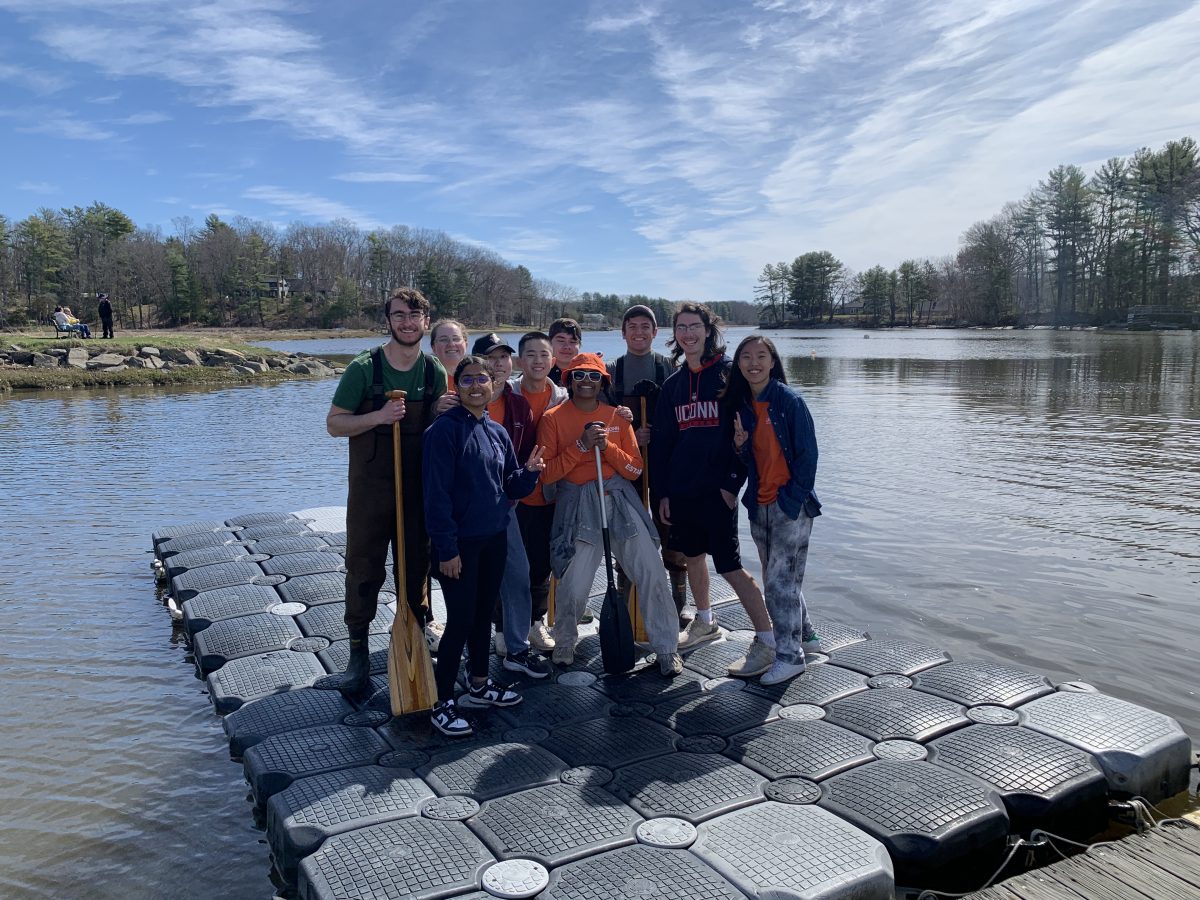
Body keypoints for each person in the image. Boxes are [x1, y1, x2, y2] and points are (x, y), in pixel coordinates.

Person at [322, 287, 447, 695]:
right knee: (364, 570)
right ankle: (358, 657)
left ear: (425, 321)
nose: (407, 322)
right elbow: (335, 423)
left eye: (415, 315)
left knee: (415, 570)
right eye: (399, 315)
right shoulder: (363, 368)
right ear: (388, 321)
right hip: (370, 492)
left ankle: (415, 639)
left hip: (417, 491)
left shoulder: (434, 373)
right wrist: (377, 416)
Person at [538, 352, 683, 676]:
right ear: (569, 381)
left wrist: (608, 448)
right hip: (577, 508)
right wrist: (581, 446)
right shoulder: (553, 419)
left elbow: (634, 470)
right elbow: (547, 476)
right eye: (579, 376)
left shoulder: (617, 417)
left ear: (603, 381)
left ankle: (666, 648)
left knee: (652, 574)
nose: (586, 381)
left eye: (593, 376)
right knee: (574, 586)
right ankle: (564, 641)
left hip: (619, 503)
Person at [422, 355, 546, 736]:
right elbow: (436, 497)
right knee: (459, 621)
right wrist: (447, 549)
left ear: (494, 386)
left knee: (482, 615)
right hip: (459, 545)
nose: (477, 386)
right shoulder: (443, 432)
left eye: (483, 380)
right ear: (456, 387)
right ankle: (441, 701)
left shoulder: (497, 432)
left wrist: (530, 474)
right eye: (468, 380)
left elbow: (509, 486)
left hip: (494, 538)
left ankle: (478, 684)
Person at [650, 302, 775, 676]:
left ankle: (768, 641)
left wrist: (732, 485)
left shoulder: (727, 376)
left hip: (717, 491)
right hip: (682, 490)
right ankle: (705, 621)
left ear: (708, 330)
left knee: (732, 566)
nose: (688, 333)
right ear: (675, 335)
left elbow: (746, 437)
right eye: (681, 327)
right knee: (692, 556)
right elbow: (662, 445)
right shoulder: (672, 385)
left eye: (694, 326)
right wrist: (664, 494)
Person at [723, 334, 822, 685]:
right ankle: (806, 637)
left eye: (761, 356)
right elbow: (753, 459)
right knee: (781, 579)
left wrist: (790, 500)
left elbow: (808, 457)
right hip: (758, 505)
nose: (754, 363)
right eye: (746, 357)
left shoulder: (790, 401)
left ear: (773, 361)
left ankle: (789, 656)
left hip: (788, 507)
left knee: (779, 584)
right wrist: (740, 446)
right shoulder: (745, 406)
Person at [604, 304, 689, 624]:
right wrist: (629, 433)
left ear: (656, 333)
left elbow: (684, 418)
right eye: (632, 326)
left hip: (665, 463)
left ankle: (678, 601)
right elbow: (604, 420)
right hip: (628, 465)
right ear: (623, 332)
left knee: (671, 527)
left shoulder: (669, 369)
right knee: (628, 528)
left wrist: (656, 431)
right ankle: (627, 598)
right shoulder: (612, 371)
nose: (639, 332)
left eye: (645, 327)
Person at [472, 332, 551, 678]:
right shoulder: (459, 404)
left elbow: (520, 461)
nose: (498, 364)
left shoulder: (519, 407)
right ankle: (473, 659)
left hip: (506, 508)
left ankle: (516, 649)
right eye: (490, 358)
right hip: (468, 513)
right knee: (472, 584)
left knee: (518, 575)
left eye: (503, 358)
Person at [511, 331, 568, 653]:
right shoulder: (505, 393)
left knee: (541, 564)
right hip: (513, 496)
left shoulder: (562, 398)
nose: (537, 361)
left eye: (543, 355)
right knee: (510, 565)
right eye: (530, 355)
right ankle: (505, 626)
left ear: (553, 360)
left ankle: (536, 623)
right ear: (520, 361)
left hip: (549, 494)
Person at [431, 319, 469, 413]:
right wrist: (434, 408)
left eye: (456, 339)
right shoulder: (426, 378)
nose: (451, 344)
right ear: (433, 347)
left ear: (466, 344)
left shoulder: (478, 376)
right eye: (444, 340)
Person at [546, 317, 581, 386]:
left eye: (572, 341)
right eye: (561, 341)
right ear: (549, 343)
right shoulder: (537, 374)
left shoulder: (590, 375)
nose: (567, 346)